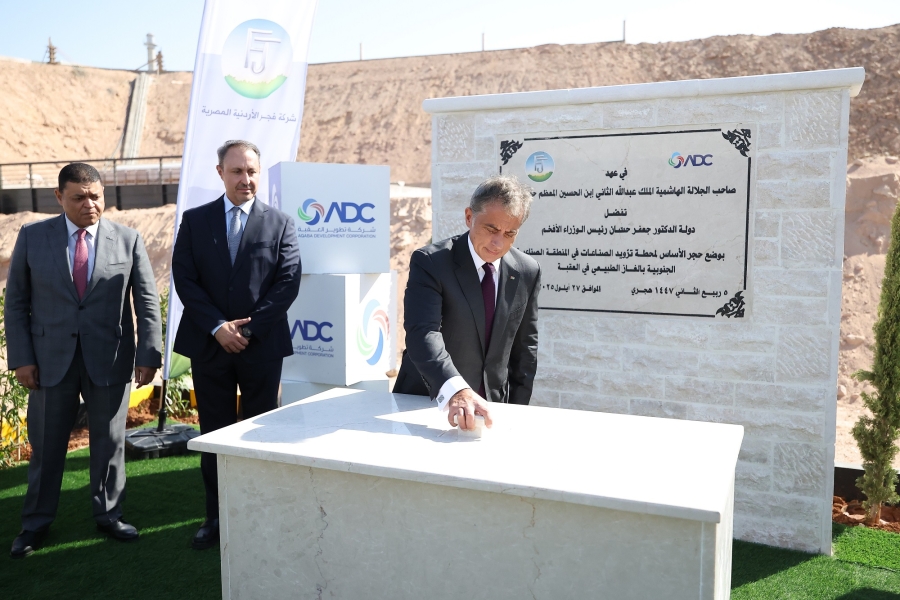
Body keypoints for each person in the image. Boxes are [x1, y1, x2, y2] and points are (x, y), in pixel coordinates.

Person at [6, 163, 162, 558]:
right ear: (59, 197)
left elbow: (146, 302)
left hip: (110, 360)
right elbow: (17, 303)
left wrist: (148, 354)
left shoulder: (127, 239)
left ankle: (109, 515)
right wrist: (21, 359)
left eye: (96, 196)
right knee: (46, 446)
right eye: (78, 197)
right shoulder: (32, 237)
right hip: (49, 362)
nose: (89, 204)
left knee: (109, 444)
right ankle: (35, 523)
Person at [172, 140, 301, 550]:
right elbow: (184, 278)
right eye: (237, 171)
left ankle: (261, 513)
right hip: (209, 346)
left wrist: (246, 331)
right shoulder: (195, 221)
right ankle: (216, 516)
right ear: (220, 173)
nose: (246, 179)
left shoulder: (280, 223)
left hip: (261, 347)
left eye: (252, 171)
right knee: (214, 432)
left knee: (261, 430)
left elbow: (288, 282)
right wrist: (217, 328)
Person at [393, 175, 540, 430]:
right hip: (424, 405)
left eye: (510, 233)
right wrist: (456, 390)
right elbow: (422, 333)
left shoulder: (527, 270)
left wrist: (517, 413)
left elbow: (525, 348)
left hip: (490, 412)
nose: (498, 243)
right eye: (491, 229)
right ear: (469, 217)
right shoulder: (431, 263)